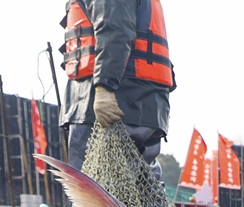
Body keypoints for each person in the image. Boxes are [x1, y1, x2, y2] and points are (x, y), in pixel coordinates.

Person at [59, 0, 174, 180]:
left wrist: (104, 88)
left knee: (98, 192)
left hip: (112, 105)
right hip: (144, 106)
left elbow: (115, 31)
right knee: (142, 187)